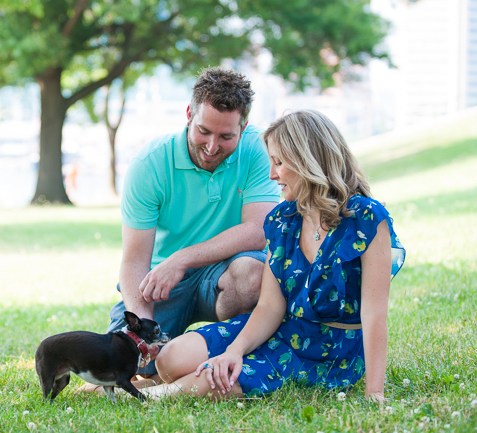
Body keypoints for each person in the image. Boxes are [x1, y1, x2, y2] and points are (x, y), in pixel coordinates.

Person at [143, 110, 406, 402]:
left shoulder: (366, 218)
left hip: (328, 350)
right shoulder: (283, 219)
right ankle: (159, 383)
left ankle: (143, 396)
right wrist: (234, 351)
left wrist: (375, 392)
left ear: (308, 160)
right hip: (281, 329)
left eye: (279, 163)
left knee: (210, 380)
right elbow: (269, 306)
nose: (272, 174)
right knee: (170, 359)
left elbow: (374, 314)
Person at [106, 67, 281, 380]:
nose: (212, 147)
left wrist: (182, 259)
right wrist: (144, 332)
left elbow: (258, 232)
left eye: (226, 136)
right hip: (165, 283)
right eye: (204, 131)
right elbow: (134, 263)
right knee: (137, 366)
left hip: (223, 272)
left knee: (252, 275)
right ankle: (171, 367)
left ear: (244, 127)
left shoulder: (258, 149)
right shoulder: (150, 164)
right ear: (189, 114)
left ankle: (231, 354)